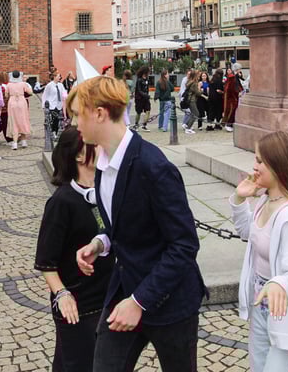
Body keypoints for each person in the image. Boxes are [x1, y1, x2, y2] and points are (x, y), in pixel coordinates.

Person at [73, 76, 205, 372]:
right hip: (125, 287)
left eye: (78, 114)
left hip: (170, 301)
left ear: (99, 113)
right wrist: (100, 242)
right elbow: (121, 222)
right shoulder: (103, 163)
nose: (75, 124)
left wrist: (139, 301)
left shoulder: (153, 166)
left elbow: (184, 245)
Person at [230, 131, 288, 371]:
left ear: (278, 165)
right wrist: (240, 200)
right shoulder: (265, 201)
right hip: (261, 308)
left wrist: (280, 284)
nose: (254, 166)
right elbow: (248, 234)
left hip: (287, 318)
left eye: (260, 161)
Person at [35, 126, 113, 372]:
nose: (104, 147)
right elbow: (46, 262)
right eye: (96, 143)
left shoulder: (106, 190)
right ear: (79, 156)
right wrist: (62, 294)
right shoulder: (61, 202)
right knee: (78, 364)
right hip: (77, 305)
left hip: (108, 297)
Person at [5, 70, 32, 149]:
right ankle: (24, 141)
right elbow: (30, 92)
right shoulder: (23, 84)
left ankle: (15, 143)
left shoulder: (9, 84)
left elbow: (6, 95)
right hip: (21, 101)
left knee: (14, 120)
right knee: (23, 119)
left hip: (12, 102)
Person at [43, 71, 66, 140]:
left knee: (59, 119)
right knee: (53, 119)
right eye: (59, 76)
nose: (60, 77)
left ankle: (56, 132)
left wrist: (66, 97)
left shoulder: (60, 85)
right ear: (54, 77)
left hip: (59, 104)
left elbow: (64, 92)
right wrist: (44, 105)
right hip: (52, 104)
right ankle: (53, 132)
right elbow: (45, 95)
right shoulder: (49, 85)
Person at [223, 68, 243, 132]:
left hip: (232, 100)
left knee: (231, 112)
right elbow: (233, 91)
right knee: (231, 112)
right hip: (232, 100)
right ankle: (229, 124)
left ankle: (229, 124)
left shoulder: (229, 82)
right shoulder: (231, 82)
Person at [0, 71, 13, 146]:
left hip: (3, 108)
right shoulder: (8, 86)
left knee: (3, 123)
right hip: (8, 107)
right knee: (4, 123)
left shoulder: (1, 87)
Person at [182, 70, 201, 134]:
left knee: (193, 113)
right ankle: (188, 128)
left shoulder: (189, 81)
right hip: (192, 100)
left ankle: (187, 124)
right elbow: (198, 93)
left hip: (188, 99)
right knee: (196, 114)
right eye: (198, 75)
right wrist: (200, 88)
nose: (199, 76)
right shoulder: (194, 83)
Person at [133, 66, 152, 132]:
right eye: (148, 72)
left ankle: (144, 125)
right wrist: (145, 95)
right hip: (139, 99)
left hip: (146, 99)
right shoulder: (139, 80)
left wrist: (147, 95)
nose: (149, 73)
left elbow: (147, 89)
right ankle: (136, 124)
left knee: (148, 110)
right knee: (139, 112)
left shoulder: (147, 79)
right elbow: (139, 90)